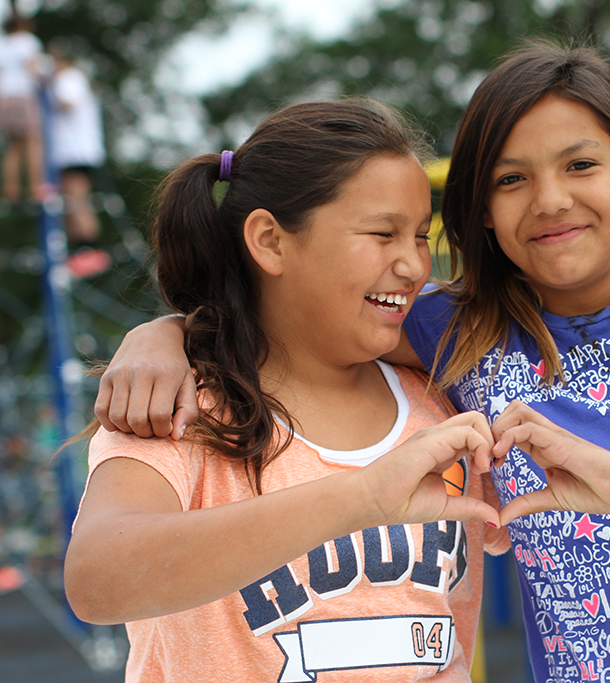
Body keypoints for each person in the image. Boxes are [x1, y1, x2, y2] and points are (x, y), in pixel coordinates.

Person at [89, 43, 610, 682]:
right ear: (481, 211)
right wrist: (165, 332)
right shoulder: (462, 331)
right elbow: (292, 315)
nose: (549, 200)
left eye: (581, 165)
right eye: (512, 180)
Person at [63, 99, 511, 682]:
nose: (412, 264)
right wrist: (363, 498)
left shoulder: (444, 397)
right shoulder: (181, 405)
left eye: (422, 236)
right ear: (271, 241)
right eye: (382, 233)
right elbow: (98, 581)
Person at [47, 42, 111, 278]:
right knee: (70, 203)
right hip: (71, 153)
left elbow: (67, 101)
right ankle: (79, 250)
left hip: (75, 152)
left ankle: (91, 250)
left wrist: (46, 86)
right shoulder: (72, 78)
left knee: (77, 201)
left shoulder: (69, 78)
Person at [0, 12, 48, 203]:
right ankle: (36, 188)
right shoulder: (28, 41)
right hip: (22, 95)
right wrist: (44, 83)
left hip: (2, 97)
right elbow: (33, 66)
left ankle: (9, 188)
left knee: (12, 144)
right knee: (33, 140)